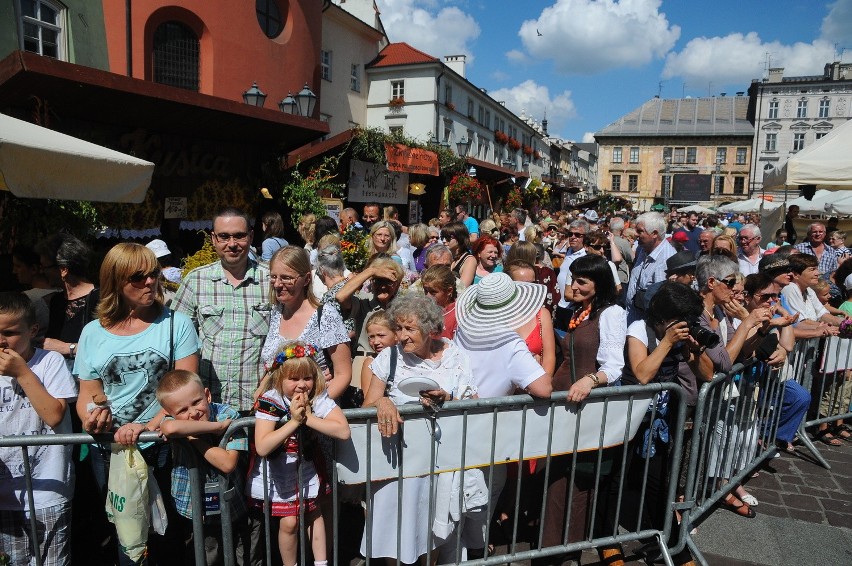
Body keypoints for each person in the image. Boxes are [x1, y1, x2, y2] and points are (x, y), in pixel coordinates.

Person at [75, 243, 200, 566]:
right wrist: (91, 418)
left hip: (162, 448)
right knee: (127, 533)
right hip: (112, 452)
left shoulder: (177, 324)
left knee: (168, 535)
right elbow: (87, 393)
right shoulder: (92, 332)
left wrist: (146, 427)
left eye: (153, 274)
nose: (150, 282)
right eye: (138, 277)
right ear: (115, 281)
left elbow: (186, 392)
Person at [361, 294, 479, 564]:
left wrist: (447, 399)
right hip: (397, 462)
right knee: (393, 531)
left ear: (430, 329)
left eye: (409, 329)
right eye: (398, 328)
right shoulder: (390, 357)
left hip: (440, 462)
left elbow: (474, 404)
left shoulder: (456, 356)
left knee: (430, 529)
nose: (401, 336)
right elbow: (369, 402)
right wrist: (384, 402)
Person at [540, 255, 626, 566]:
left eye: (582, 281)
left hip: (585, 407)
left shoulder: (612, 313)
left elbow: (615, 365)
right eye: (573, 278)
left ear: (599, 286)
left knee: (578, 481)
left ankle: (568, 552)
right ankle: (550, 547)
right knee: (558, 478)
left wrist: (590, 380)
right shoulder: (578, 311)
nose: (573, 285)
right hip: (564, 404)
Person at [250, 342, 351, 566]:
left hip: (306, 465)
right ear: (280, 378)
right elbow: (263, 446)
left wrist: (308, 418)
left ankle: (321, 563)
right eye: (294, 379)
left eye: (307, 378)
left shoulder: (318, 397)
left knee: (314, 513)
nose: (302, 385)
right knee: (289, 523)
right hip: (279, 470)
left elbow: (343, 431)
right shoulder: (271, 400)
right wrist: (294, 422)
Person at [0, 293, 76, 566]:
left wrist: (22, 373)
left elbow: (55, 415)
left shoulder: (49, 362)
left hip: (47, 490)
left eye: (9, 332)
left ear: (32, 331)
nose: (1, 340)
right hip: (6, 495)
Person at [172, 208, 271, 413]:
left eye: (239, 236)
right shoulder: (195, 281)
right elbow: (175, 340)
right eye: (224, 236)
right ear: (214, 239)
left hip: (259, 405)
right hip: (208, 406)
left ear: (251, 236)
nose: (232, 244)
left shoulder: (271, 280)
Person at [156, 369, 250, 565]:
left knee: (239, 558)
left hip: (232, 507)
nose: (193, 413)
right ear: (168, 413)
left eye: (197, 402)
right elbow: (171, 428)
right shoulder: (219, 423)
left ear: (207, 395)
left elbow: (227, 463)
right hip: (194, 510)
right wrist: (216, 428)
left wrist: (192, 438)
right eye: (182, 411)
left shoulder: (228, 415)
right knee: (204, 557)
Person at [260, 246, 352, 401]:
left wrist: (314, 408)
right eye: (273, 277)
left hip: (312, 417)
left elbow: (343, 374)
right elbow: (273, 368)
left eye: (286, 278)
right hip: (277, 417)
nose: (277, 284)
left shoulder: (325, 315)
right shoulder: (276, 312)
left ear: (306, 279)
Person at [35, 233, 99, 371]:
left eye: (44, 267)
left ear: (63, 270)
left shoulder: (101, 298)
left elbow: (109, 345)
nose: (42, 272)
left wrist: (66, 348)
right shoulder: (57, 301)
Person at [335, 255, 404, 355]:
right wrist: (371, 271)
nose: (383, 286)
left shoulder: (403, 307)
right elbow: (340, 296)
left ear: (397, 284)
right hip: (364, 360)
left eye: (388, 281)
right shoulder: (363, 301)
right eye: (378, 280)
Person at [625, 212, 677, 324]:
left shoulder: (665, 260)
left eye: (640, 231)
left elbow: (661, 302)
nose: (635, 234)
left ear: (654, 234)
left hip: (647, 328)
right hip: (632, 319)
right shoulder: (642, 249)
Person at [10, 244, 56, 344]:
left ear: (34, 269)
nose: (14, 271)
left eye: (18, 266)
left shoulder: (27, 298)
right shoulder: (63, 293)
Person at [359, 310, 398, 400]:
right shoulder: (370, 362)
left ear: (396, 334)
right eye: (371, 337)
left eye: (381, 335)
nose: (376, 342)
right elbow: (370, 401)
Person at [420, 265, 459, 339]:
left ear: (449, 291)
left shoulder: (457, 315)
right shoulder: (423, 309)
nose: (427, 296)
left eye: (433, 292)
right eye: (426, 291)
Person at [441, 222, 477, 286]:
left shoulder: (469, 260)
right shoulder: (447, 257)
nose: (444, 241)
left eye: (448, 237)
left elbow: (462, 287)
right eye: (442, 237)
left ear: (460, 238)